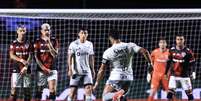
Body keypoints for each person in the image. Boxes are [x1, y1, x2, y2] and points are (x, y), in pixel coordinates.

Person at [93, 30, 153, 101]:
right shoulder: (130, 45)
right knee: (116, 99)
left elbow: (102, 69)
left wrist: (96, 83)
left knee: (105, 97)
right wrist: (150, 64)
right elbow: (145, 51)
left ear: (110, 38)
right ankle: (120, 94)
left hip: (116, 77)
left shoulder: (108, 52)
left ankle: (119, 95)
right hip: (128, 78)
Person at [165, 34, 196, 101]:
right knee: (169, 95)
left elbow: (193, 62)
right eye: (178, 39)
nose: (179, 41)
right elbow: (168, 62)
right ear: (176, 40)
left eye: (181, 39)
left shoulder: (188, 51)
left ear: (184, 40)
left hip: (185, 75)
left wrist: (193, 72)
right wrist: (166, 73)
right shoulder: (172, 50)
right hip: (174, 75)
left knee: (190, 95)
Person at [67, 28, 95, 101]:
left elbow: (91, 57)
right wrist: (70, 69)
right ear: (78, 34)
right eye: (82, 33)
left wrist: (92, 69)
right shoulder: (73, 44)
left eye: (85, 33)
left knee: (88, 91)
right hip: (76, 71)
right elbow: (70, 57)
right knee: (72, 92)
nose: (83, 35)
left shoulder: (90, 44)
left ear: (87, 34)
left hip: (87, 71)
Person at [34, 23, 59, 101]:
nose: (47, 31)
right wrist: (43, 68)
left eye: (48, 29)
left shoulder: (54, 40)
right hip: (41, 69)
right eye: (45, 30)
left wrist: (49, 44)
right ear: (41, 31)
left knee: (52, 90)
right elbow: (36, 57)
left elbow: (55, 55)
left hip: (52, 68)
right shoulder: (37, 41)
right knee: (39, 91)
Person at [9, 25, 32, 101]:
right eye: (21, 31)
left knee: (27, 91)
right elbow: (11, 55)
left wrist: (26, 67)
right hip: (16, 69)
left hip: (26, 69)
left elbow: (30, 56)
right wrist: (21, 60)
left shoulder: (29, 43)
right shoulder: (14, 43)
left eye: (24, 31)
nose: (22, 32)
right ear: (17, 31)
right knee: (14, 90)